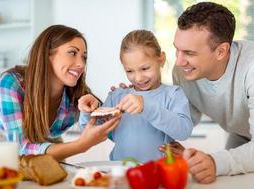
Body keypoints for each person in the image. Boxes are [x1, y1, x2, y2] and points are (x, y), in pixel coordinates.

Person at [159, 2, 254, 184]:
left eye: (189, 53)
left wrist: (215, 162)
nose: (179, 61)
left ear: (221, 51)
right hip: (244, 136)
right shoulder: (184, 71)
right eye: (177, 49)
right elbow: (183, 122)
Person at [0, 25, 120, 161]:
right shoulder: (12, 83)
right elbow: (20, 148)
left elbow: (106, 127)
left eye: (84, 57)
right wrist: (80, 146)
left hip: (47, 139)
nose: (81, 64)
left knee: (59, 180)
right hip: (4, 141)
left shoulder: (78, 95)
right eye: (72, 53)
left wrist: (129, 93)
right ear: (48, 54)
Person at [78, 30, 193, 163]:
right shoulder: (117, 96)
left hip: (159, 173)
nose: (138, 78)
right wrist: (88, 111)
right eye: (129, 71)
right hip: (119, 172)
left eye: (145, 69)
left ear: (161, 59)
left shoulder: (173, 94)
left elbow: (183, 131)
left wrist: (146, 106)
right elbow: (91, 132)